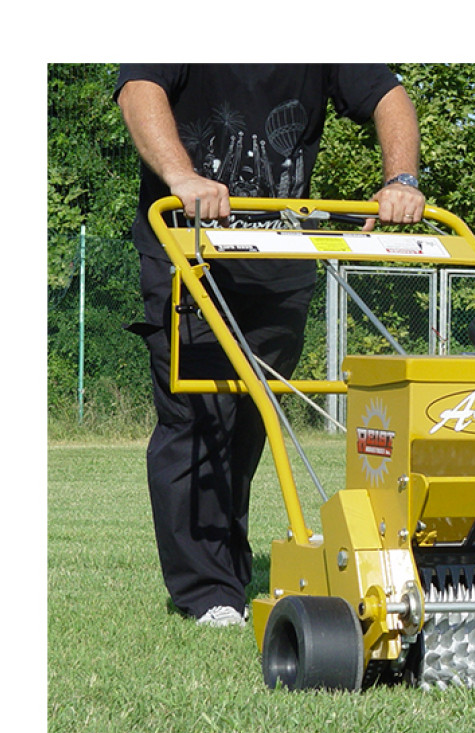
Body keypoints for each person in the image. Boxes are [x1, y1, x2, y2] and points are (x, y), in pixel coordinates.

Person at [115, 64, 425, 626]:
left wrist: (401, 180)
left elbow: (388, 94)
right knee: (198, 416)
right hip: (190, 251)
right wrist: (182, 177)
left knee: (248, 423)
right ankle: (208, 593)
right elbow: (140, 90)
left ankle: (227, 566)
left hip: (279, 260)